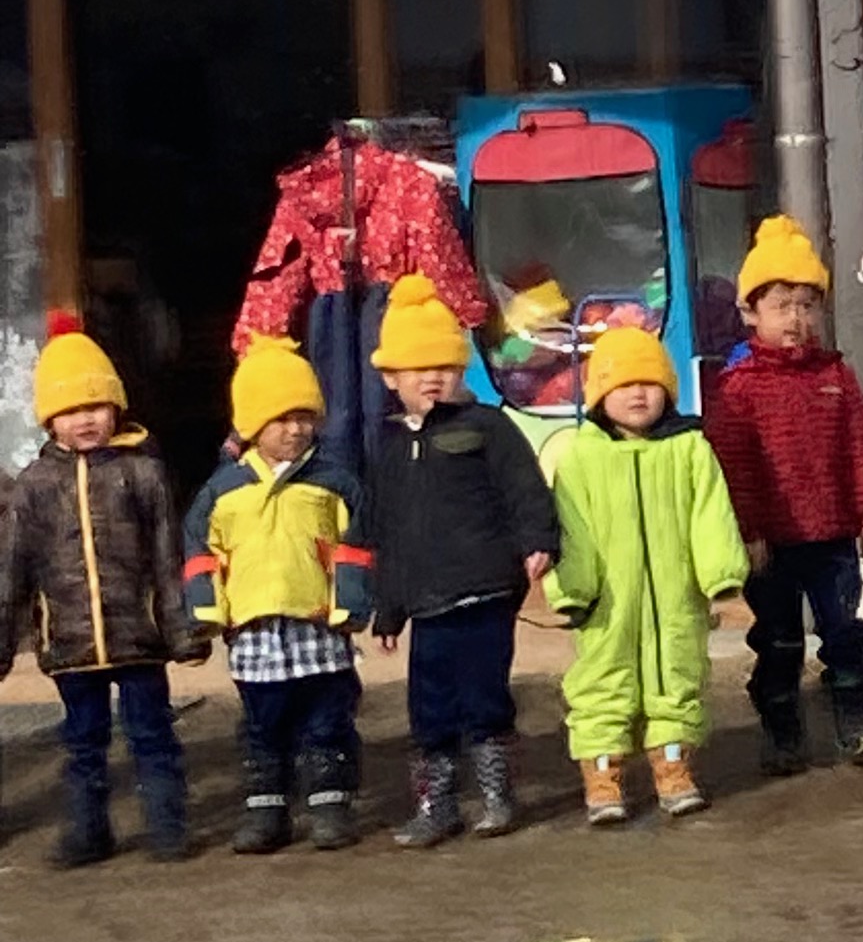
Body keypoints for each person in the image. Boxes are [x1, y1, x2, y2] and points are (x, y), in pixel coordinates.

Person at [361, 273, 559, 848]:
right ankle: (437, 802)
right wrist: (389, 609)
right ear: (389, 377)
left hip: (485, 592)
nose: (432, 379)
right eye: (418, 369)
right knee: (429, 708)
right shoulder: (390, 444)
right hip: (427, 605)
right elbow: (388, 530)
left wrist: (537, 540)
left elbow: (525, 489)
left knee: (485, 696)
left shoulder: (486, 426)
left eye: (443, 367)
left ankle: (497, 794)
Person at [0, 315, 205, 868]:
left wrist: (180, 625)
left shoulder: (144, 473)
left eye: (95, 405)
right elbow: (12, 572)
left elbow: (167, 559)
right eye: (70, 410)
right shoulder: (33, 488)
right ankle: (88, 835)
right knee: (82, 746)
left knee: (152, 736)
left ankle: (167, 827)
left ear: (116, 406)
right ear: (49, 420)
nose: (85, 419)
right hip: (70, 645)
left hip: (138, 638)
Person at [702, 215, 863, 773]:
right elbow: (734, 468)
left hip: (833, 535)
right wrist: (750, 532)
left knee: (845, 632)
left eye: (807, 305)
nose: (796, 318)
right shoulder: (738, 387)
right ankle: (782, 732)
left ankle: (854, 721)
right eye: (782, 305)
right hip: (774, 544)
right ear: (750, 313)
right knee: (779, 642)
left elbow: (860, 448)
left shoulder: (836, 376)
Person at [547, 323, 749, 823]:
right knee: (601, 681)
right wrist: (572, 589)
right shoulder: (580, 456)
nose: (638, 393)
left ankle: (673, 767)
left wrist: (720, 576)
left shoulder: (689, 449)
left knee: (677, 675)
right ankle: (602, 775)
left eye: (650, 382)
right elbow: (571, 529)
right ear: (599, 395)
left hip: (674, 597)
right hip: (608, 602)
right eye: (623, 383)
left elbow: (710, 514)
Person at [184, 341, 374, 855]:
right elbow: (202, 551)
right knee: (262, 728)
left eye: (304, 417)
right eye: (279, 419)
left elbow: (354, 549)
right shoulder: (222, 492)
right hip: (255, 634)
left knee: (327, 722)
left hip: (319, 629)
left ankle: (330, 807)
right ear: (251, 426)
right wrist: (205, 611)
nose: (294, 429)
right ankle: (266, 810)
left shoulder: (334, 484)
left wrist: (351, 606)